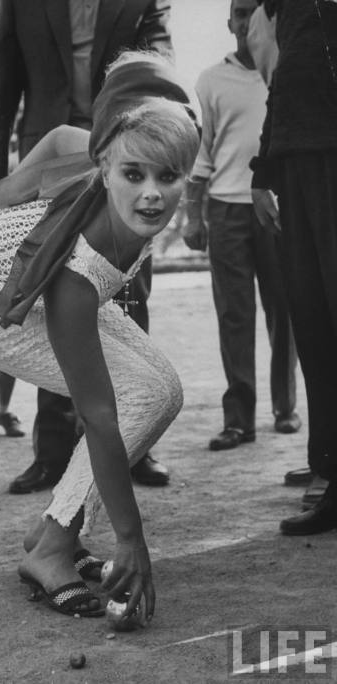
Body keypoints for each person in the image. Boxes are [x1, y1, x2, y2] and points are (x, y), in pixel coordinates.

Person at [0, 51, 200, 618]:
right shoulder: (78, 273)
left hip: (44, 283)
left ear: (188, 173)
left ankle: (51, 529)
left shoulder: (119, 148)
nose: (151, 193)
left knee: (163, 393)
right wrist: (132, 539)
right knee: (132, 399)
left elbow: (61, 136)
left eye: (168, 176)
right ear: (105, 168)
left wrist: (10, 192)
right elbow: (98, 415)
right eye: (134, 175)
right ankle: (53, 549)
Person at [0, 0, 174, 493]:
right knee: (48, 294)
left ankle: (134, 444)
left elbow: (160, 72)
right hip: (52, 161)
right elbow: (0, 95)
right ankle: (52, 451)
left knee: (128, 297)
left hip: (127, 158)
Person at [184, 0, 299, 452]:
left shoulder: (286, 70)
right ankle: (238, 420)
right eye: (239, 11)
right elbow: (202, 153)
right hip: (226, 209)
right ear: (229, 21)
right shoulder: (211, 80)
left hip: (276, 207)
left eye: (254, 10)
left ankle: (285, 407)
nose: (246, 20)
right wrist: (193, 215)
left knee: (284, 309)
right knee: (234, 314)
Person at [251, 0, 337, 535]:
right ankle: (331, 479)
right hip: (295, 164)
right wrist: (263, 170)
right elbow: (284, 81)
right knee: (314, 323)